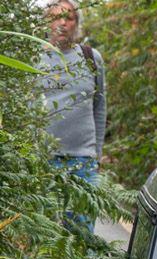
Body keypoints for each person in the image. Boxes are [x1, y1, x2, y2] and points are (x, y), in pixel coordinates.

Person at [37, 0, 106, 188]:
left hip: (83, 160)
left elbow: (99, 108)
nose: (62, 23)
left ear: (76, 23)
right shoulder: (34, 59)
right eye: (56, 17)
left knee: (82, 217)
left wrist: (96, 154)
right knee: (45, 217)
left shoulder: (91, 57)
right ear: (47, 22)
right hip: (41, 159)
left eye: (69, 18)